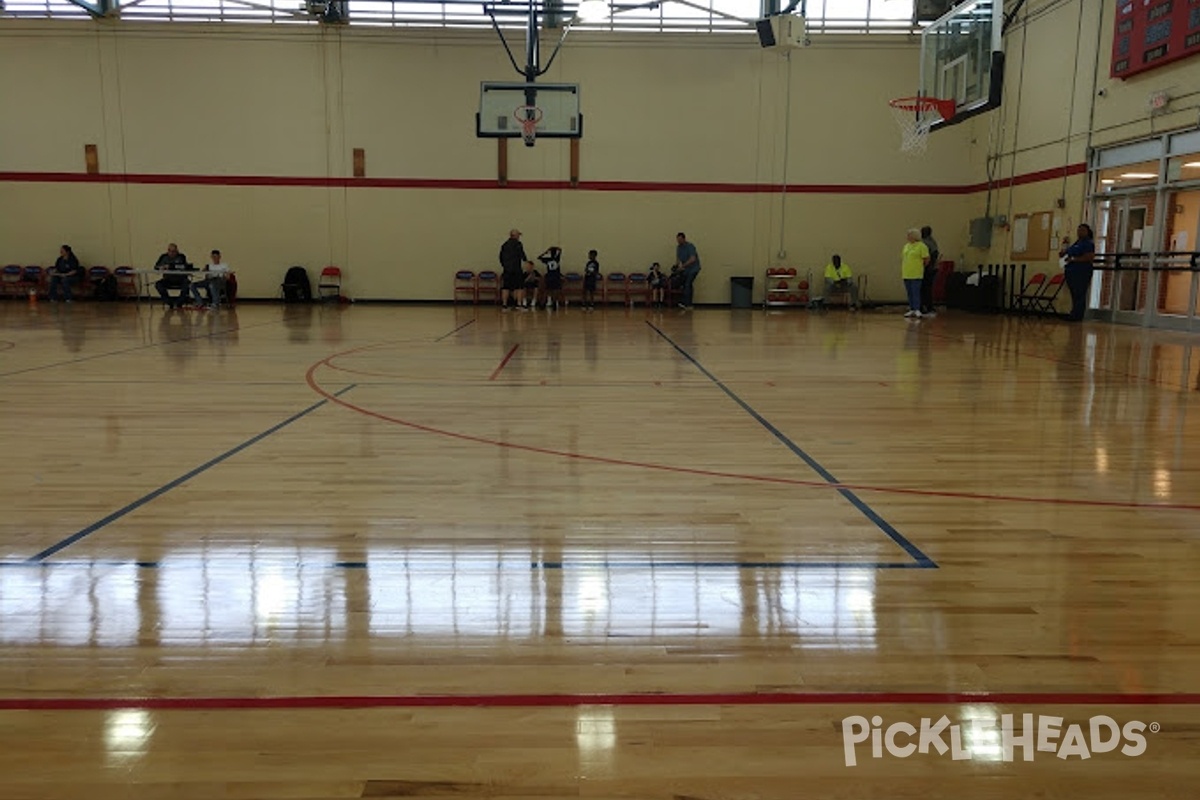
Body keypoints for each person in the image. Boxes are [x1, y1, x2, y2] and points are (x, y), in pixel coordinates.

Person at [1059, 223, 1096, 322]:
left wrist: (1074, 259)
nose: (1080, 232)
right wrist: (1063, 254)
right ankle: (1073, 312)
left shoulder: (1088, 243)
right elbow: (1068, 253)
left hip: (1081, 272)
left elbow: (1089, 257)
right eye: (1078, 230)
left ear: (1087, 232)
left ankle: (1078, 315)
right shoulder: (1076, 243)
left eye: (1082, 230)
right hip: (1071, 271)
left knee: (1080, 293)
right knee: (1074, 293)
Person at [901, 229, 930, 318]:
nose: (908, 237)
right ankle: (912, 309)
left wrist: (920, 266)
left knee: (915, 291)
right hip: (906, 272)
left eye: (909, 235)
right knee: (909, 292)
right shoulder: (906, 246)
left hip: (916, 273)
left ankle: (917, 309)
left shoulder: (922, 246)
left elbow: (926, 259)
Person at [154, 243, 192, 309]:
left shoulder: (181, 256)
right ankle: (169, 302)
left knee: (187, 284)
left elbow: (184, 266)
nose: (172, 253)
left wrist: (171, 266)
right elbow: (156, 266)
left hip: (180, 279)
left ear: (177, 251)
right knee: (158, 284)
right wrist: (161, 267)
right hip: (168, 279)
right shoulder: (163, 256)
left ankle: (179, 303)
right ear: (167, 250)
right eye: (170, 251)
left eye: (173, 251)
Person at [498, 229, 526, 311]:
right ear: (515, 235)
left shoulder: (505, 245)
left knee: (506, 287)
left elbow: (500, 257)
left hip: (507, 269)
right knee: (519, 287)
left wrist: (505, 266)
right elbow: (522, 255)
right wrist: (525, 260)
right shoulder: (518, 244)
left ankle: (504, 305)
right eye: (518, 235)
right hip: (516, 269)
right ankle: (518, 304)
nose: (519, 237)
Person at [674, 232, 701, 309]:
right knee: (686, 284)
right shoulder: (679, 247)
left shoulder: (690, 246)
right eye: (677, 240)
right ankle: (687, 302)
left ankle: (688, 304)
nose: (678, 241)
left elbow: (693, 259)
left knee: (688, 283)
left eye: (680, 240)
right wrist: (676, 266)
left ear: (684, 239)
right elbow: (678, 259)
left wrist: (683, 266)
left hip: (693, 269)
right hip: (686, 270)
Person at [920, 225, 940, 317]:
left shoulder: (925, 243)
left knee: (925, 288)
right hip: (930, 268)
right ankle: (927, 307)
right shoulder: (932, 242)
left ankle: (926, 307)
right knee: (927, 288)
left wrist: (928, 266)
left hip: (928, 269)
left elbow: (933, 255)